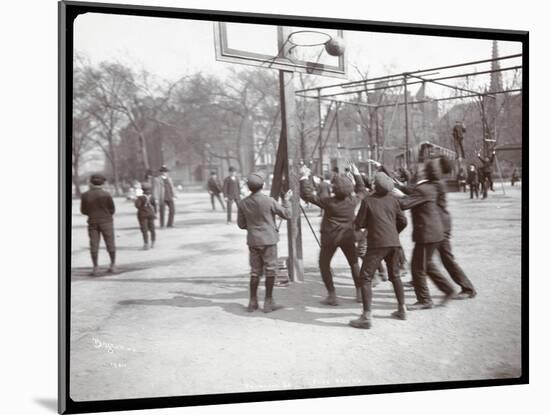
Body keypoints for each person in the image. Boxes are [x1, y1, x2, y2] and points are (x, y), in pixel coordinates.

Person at [299, 162, 366, 305]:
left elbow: (308, 195)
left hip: (330, 238)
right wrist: (357, 174)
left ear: (334, 189)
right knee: (354, 263)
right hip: (348, 236)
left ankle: (332, 295)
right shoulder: (352, 201)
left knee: (324, 264)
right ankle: (359, 293)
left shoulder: (328, 202)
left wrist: (304, 177)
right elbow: (361, 190)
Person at [349, 172, 408, 329]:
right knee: (395, 275)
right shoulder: (393, 200)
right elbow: (403, 221)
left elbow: (359, 223)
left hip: (377, 243)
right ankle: (402, 308)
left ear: (375, 185)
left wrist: (362, 226)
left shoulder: (368, 201)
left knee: (365, 277)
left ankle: (366, 316)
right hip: (394, 243)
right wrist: (394, 233)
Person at [397, 160, 456, 309]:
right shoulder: (433, 187)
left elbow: (404, 204)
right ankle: (448, 290)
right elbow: (414, 194)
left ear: (427, 172)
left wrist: (389, 195)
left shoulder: (423, 189)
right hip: (435, 232)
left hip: (427, 233)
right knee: (427, 265)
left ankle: (425, 300)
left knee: (417, 267)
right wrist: (398, 187)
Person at [237, 173, 292, 313]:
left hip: (253, 241)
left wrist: (253, 227)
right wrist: (287, 201)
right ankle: (268, 302)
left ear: (249, 188)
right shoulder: (269, 201)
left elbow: (241, 224)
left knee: (255, 271)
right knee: (270, 269)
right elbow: (287, 214)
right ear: (262, 186)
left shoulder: (243, 203)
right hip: (269, 240)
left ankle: (252, 301)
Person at [432, 157, 477, 299]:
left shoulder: (437, 184)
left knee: (446, 259)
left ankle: (468, 288)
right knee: (425, 259)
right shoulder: (437, 182)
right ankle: (417, 282)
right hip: (439, 224)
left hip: (441, 226)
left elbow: (417, 193)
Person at [80, 173, 116, 276]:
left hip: (93, 222)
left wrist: (92, 214)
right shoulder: (107, 194)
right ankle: (112, 265)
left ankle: (95, 267)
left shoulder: (85, 195)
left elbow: (83, 211)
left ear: (91, 182)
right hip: (106, 221)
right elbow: (112, 209)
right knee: (110, 243)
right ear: (102, 183)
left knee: (94, 244)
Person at [135, 182, 157, 250]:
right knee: (152, 229)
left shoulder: (140, 197)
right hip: (151, 214)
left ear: (142, 190)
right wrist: (155, 213)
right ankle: (153, 242)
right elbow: (155, 206)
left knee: (144, 230)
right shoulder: (152, 197)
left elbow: (137, 206)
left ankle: (146, 243)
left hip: (143, 215)